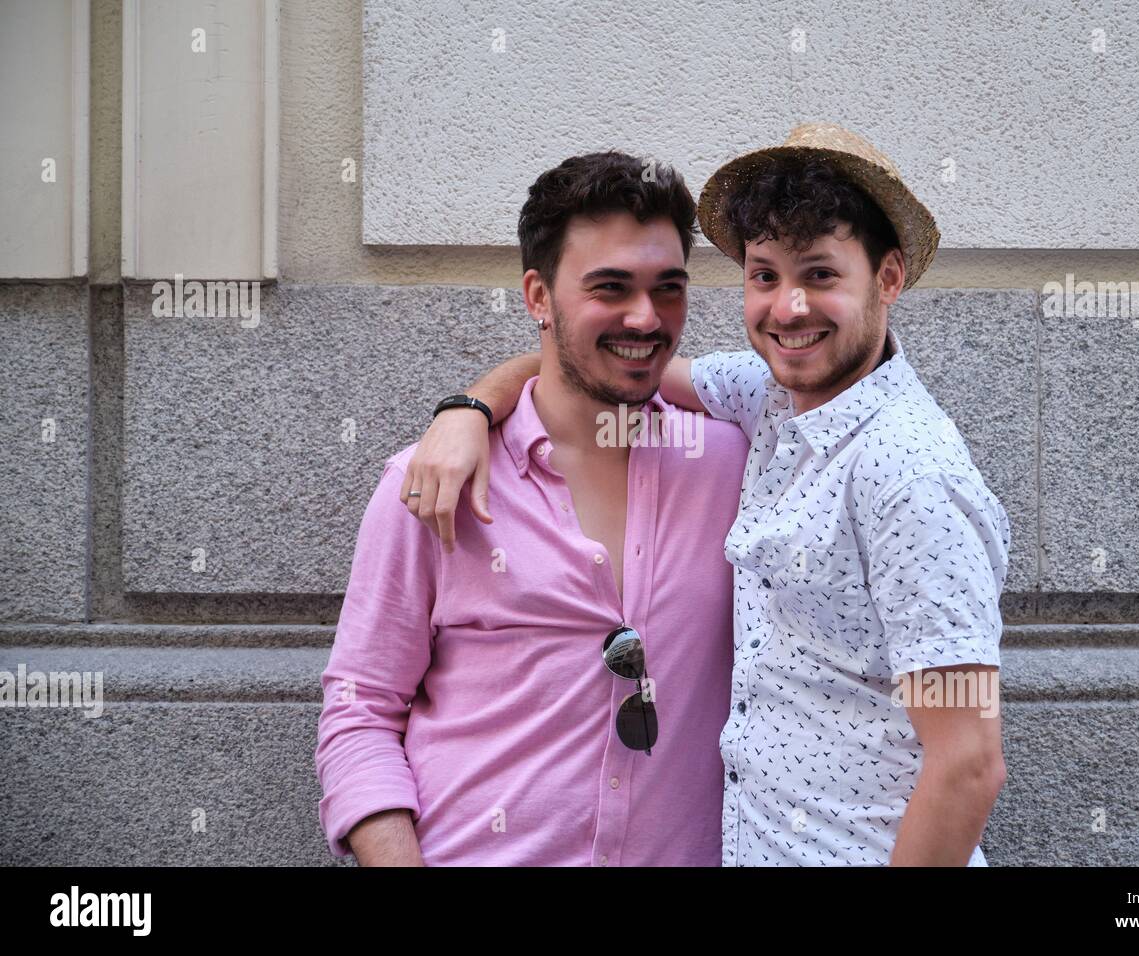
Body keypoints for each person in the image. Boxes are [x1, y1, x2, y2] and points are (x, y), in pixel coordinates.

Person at [404, 123, 1010, 865]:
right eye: (765, 276)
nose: (788, 309)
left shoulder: (911, 475)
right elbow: (596, 361)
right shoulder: (770, 394)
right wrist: (467, 409)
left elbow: (970, 763)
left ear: (887, 279)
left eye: (820, 275)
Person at [315, 151, 748, 866]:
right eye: (610, 287)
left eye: (667, 288)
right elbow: (359, 715)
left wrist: (474, 397)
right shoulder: (432, 487)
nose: (646, 317)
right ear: (538, 297)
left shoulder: (733, 466)